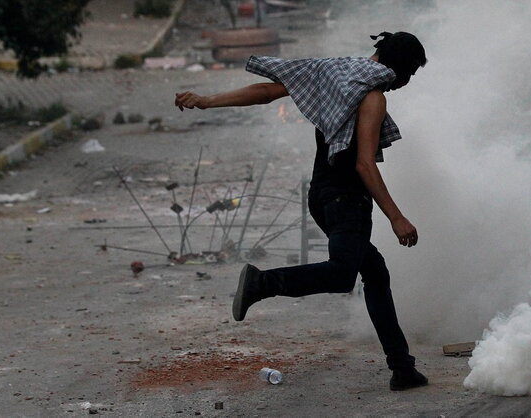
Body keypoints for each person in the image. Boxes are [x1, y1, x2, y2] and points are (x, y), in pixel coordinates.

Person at [174, 31, 429, 391]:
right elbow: (364, 165)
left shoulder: (334, 74)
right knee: (342, 273)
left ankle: (403, 369)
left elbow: (267, 92)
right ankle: (262, 283)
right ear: (399, 67)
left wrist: (207, 100)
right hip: (347, 199)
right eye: (411, 73)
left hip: (322, 195)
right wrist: (396, 217)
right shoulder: (371, 97)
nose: (407, 82)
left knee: (374, 271)